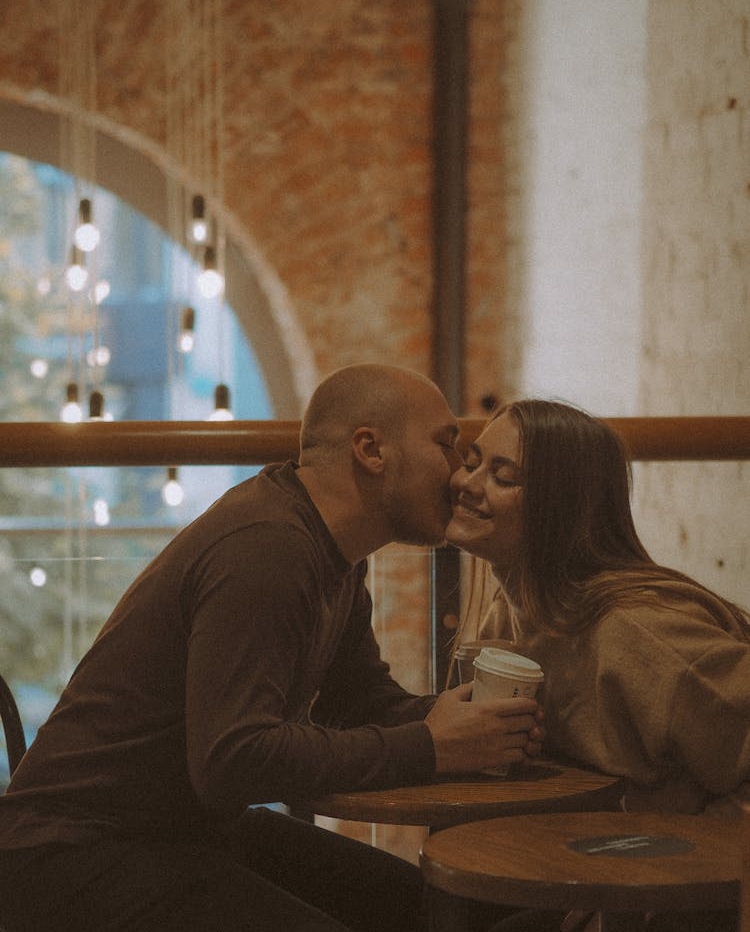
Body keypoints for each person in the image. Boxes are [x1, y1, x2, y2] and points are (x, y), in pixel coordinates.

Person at [0, 364, 544, 932]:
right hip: (71, 858)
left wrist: (453, 721)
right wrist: (429, 746)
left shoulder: (332, 551)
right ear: (370, 449)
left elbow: (358, 703)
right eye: (445, 446)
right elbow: (231, 761)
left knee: (432, 910)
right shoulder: (269, 548)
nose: (458, 475)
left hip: (177, 834)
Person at [445, 398, 750, 932]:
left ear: (559, 505)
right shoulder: (509, 617)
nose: (467, 483)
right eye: (472, 462)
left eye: (503, 476)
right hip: (585, 875)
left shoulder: (636, 632)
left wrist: (662, 879)